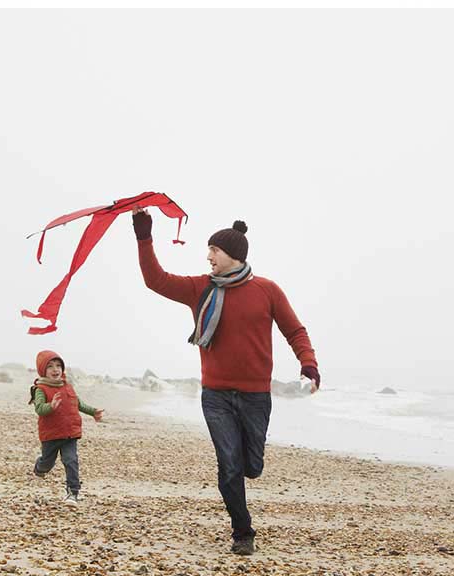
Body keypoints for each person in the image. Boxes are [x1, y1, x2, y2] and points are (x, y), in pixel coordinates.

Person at [131, 208, 320, 555]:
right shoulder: (199, 289)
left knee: (252, 466)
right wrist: (144, 236)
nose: (208, 257)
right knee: (229, 464)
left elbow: (294, 330)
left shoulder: (267, 290)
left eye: (213, 251)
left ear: (232, 255)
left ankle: (249, 475)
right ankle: (242, 532)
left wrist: (308, 363)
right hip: (215, 395)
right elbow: (155, 280)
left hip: (255, 397)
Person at [30, 350, 104, 504]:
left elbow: (77, 403)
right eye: (50, 366)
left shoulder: (67, 386)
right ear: (43, 370)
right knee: (47, 463)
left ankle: (73, 492)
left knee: (71, 460)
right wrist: (51, 406)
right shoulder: (40, 389)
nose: (55, 369)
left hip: (70, 433)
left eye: (58, 365)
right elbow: (39, 409)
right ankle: (39, 468)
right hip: (51, 434)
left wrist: (93, 412)